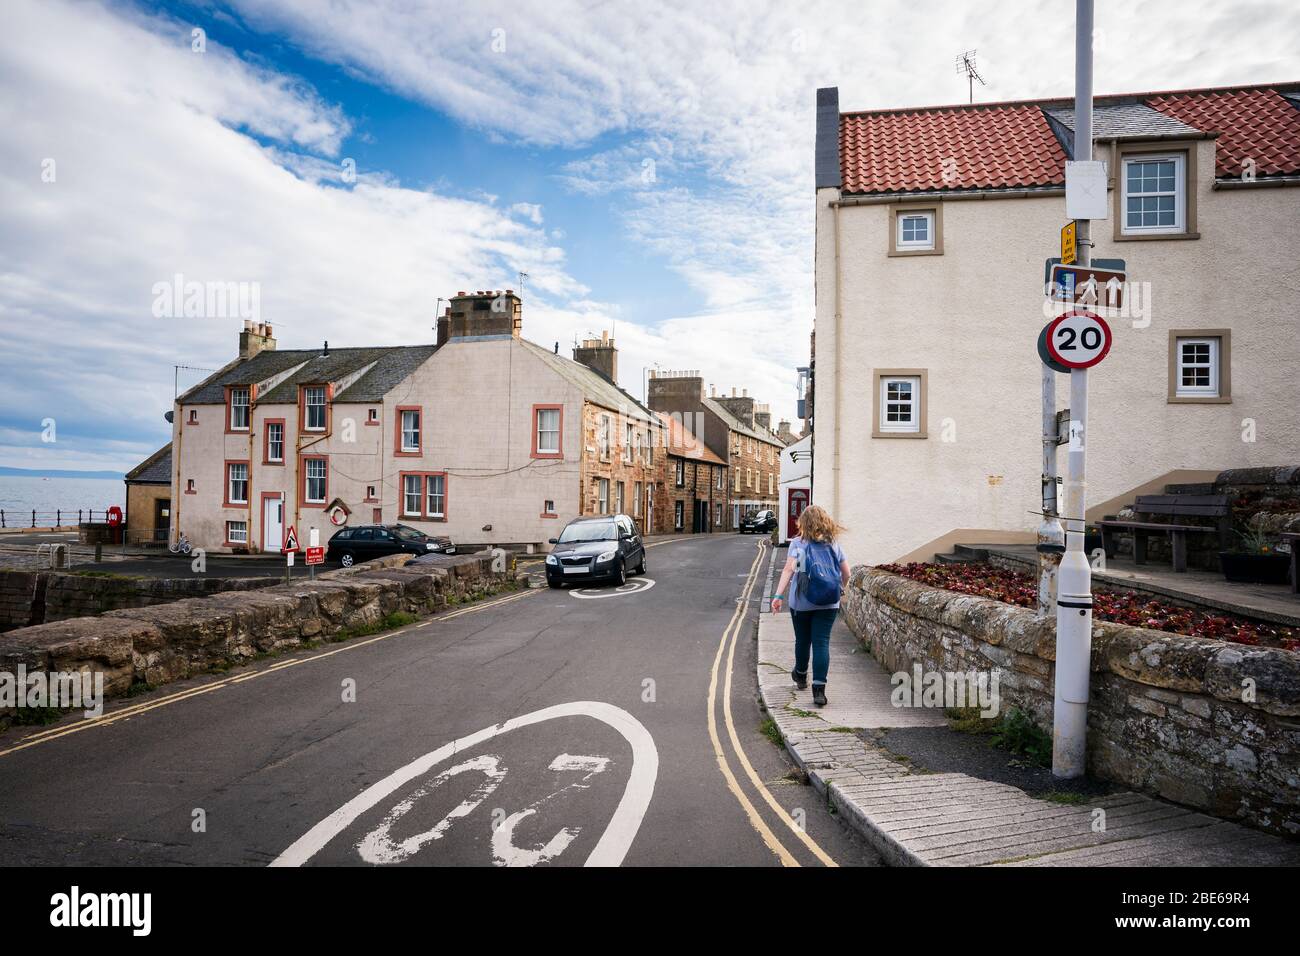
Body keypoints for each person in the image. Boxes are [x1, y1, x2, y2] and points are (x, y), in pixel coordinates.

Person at [770, 505, 850, 707]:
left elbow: (789, 571)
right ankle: (819, 692)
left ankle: (800, 675)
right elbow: (846, 573)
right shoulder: (833, 545)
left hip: (802, 603)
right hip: (829, 603)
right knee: (822, 643)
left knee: (803, 640)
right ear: (826, 521)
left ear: (803, 523)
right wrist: (840, 590)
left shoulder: (798, 544)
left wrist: (778, 595)